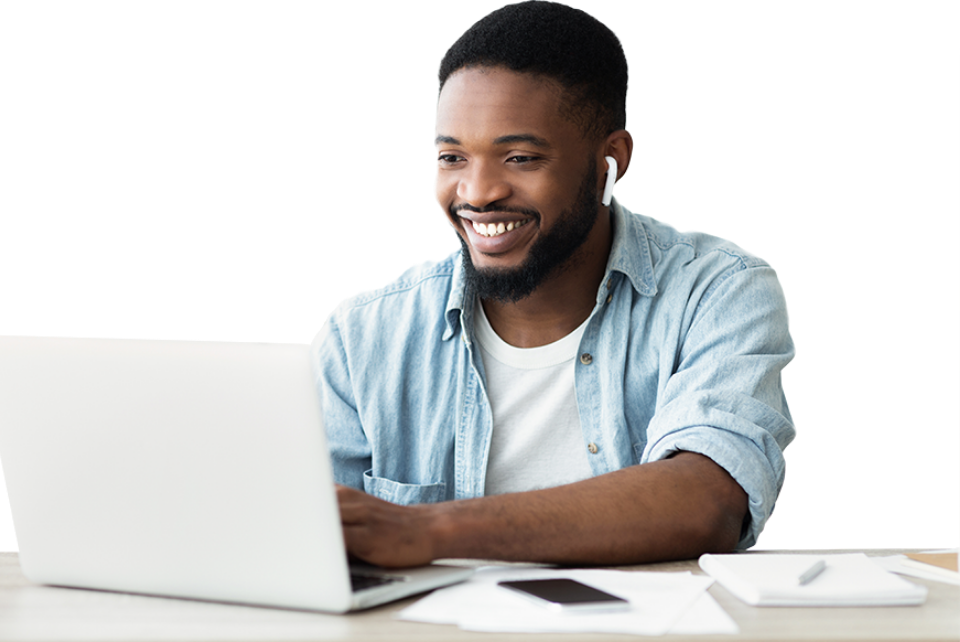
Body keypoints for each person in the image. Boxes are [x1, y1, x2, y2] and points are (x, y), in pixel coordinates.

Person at [312, 0, 795, 568]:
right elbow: (300, 534)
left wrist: (428, 529)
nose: (478, 193)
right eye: (452, 157)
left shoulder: (717, 292)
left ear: (610, 160)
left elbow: (706, 501)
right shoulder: (363, 335)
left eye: (519, 157)